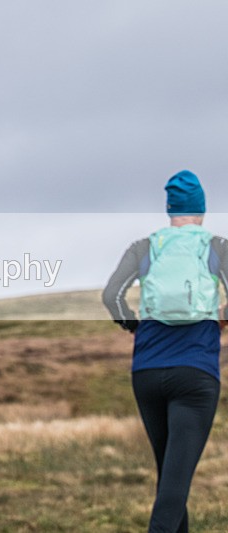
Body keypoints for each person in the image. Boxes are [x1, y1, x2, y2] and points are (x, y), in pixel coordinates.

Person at [103, 170, 228, 533]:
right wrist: (220, 318)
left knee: (172, 478)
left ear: (170, 209)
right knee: (174, 485)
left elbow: (111, 296)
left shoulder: (145, 246)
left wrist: (132, 325)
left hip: (147, 372)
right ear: (201, 210)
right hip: (196, 373)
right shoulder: (216, 247)